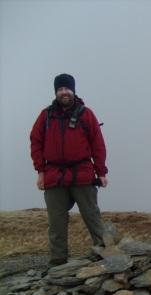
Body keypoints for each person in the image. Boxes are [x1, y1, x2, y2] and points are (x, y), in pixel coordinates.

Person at [30, 73, 108, 267]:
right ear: (56, 92)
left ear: (73, 90)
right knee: (56, 222)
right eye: (60, 89)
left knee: (92, 216)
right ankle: (58, 262)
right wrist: (40, 171)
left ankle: (107, 255)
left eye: (67, 88)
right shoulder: (46, 115)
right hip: (54, 175)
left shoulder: (86, 113)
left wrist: (102, 172)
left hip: (82, 173)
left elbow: (98, 144)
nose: (64, 92)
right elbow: (35, 142)